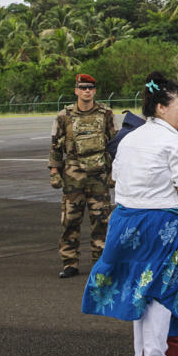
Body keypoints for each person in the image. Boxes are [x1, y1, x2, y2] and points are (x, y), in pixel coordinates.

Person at [81, 72, 178, 356]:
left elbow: (117, 178)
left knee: (143, 293)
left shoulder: (131, 138)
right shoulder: (172, 141)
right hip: (161, 226)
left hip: (127, 221)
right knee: (160, 295)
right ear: (160, 107)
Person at [49, 72, 115, 278]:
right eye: (83, 88)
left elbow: (114, 144)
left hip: (99, 177)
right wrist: (54, 171)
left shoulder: (106, 113)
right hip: (73, 176)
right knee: (70, 220)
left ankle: (100, 263)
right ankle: (70, 263)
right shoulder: (64, 116)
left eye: (90, 88)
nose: (87, 91)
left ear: (94, 91)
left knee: (101, 220)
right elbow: (55, 145)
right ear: (76, 90)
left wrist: (115, 171)